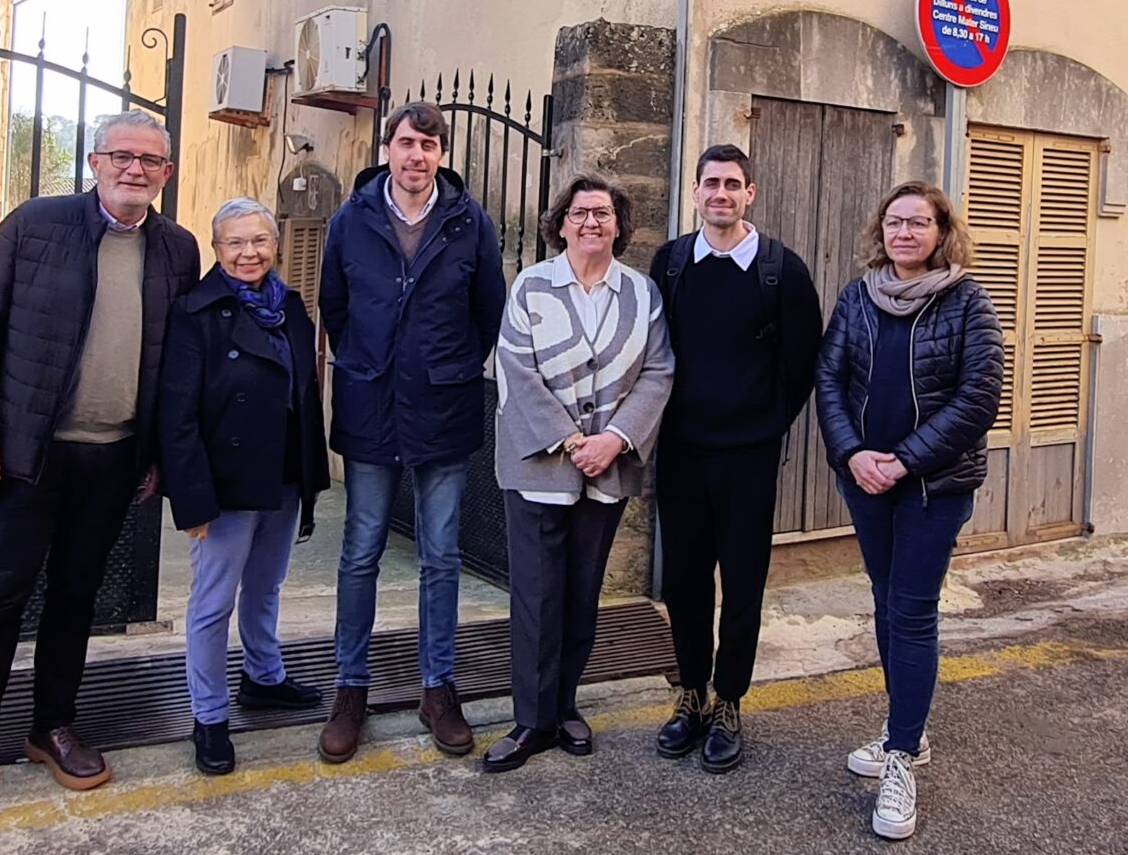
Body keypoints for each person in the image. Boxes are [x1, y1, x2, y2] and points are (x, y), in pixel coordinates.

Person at [0, 110, 201, 829]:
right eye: (122, 156)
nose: (135, 169)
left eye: (150, 160)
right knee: (0, 598)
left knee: (76, 595)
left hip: (112, 457)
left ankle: (52, 725)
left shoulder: (177, 248)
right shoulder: (36, 226)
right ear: (95, 161)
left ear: (166, 174)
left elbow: (176, 364)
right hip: (25, 455)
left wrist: (156, 456)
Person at [316, 103, 506, 763]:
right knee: (360, 552)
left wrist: (443, 365)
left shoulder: (468, 223)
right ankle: (350, 687)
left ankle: (438, 686)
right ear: (387, 149)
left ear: (441, 154)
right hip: (371, 406)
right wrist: (371, 362)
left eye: (428, 144)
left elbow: (489, 312)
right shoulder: (352, 219)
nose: (416, 155)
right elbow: (333, 306)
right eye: (405, 142)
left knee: (441, 555)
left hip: (444, 409)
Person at [814, 180, 1002, 842]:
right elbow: (829, 380)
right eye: (895, 222)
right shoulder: (858, 297)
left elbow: (979, 395)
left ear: (941, 231)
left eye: (918, 222)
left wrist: (903, 459)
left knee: (912, 610)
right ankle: (908, 732)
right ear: (880, 230)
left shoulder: (967, 300)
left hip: (933, 485)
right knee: (886, 599)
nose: (904, 232)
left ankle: (900, 760)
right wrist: (852, 453)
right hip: (867, 482)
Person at [483, 175, 675, 774]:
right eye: (579, 212)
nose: (591, 222)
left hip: (607, 469)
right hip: (539, 463)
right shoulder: (533, 286)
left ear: (620, 225)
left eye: (603, 213)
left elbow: (659, 370)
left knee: (582, 594)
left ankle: (564, 706)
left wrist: (613, 441)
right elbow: (513, 366)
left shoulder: (641, 293)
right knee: (536, 596)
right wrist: (573, 441)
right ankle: (530, 720)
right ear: (560, 222)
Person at [645, 145, 822, 772]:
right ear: (694, 192)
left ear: (751, 193)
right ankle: (690, 692)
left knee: (743, 582)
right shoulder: (669, 264)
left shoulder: (782, 271)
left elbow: (803, 365)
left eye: (732, 184)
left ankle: (729, 700)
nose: (720, 194)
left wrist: (766, 425)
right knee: (684, 580)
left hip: (748, 456)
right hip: (682, 452)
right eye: (710, 183)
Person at [157, 199, 331, 777]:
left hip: (282, 472)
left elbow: (303, 395)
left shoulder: (293, 308)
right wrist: (192, 499)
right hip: (225, 484)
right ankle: (208, 718)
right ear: (217, 248)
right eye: (234, 243)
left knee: (266, 587)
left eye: (258, 241)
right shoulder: (195, 313)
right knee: (212, 603)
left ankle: (264, 678)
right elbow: (175, 415)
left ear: (275, 245)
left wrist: (311, 476)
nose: (248, 253)